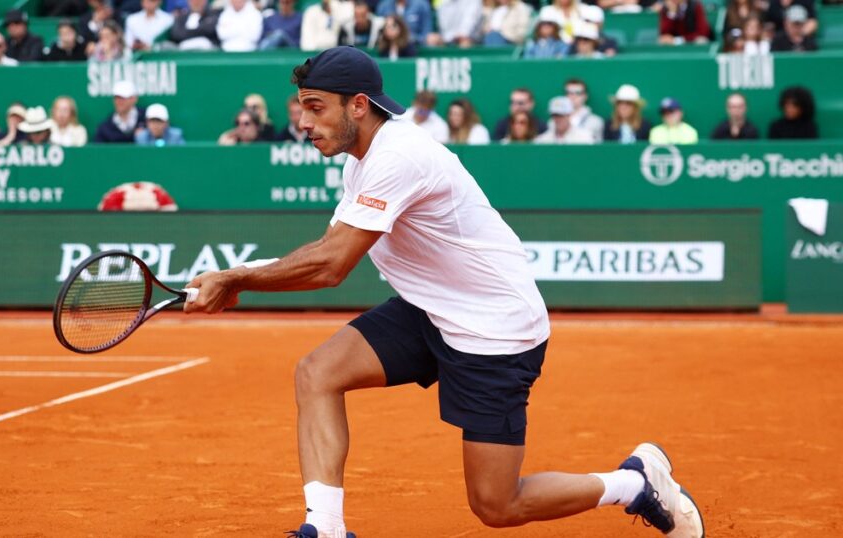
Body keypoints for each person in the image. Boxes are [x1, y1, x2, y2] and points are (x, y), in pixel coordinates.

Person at [183, 46, 705, 538]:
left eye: (315, 108)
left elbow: (331, 266)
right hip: (431, 309)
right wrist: (235, 274)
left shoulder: (399, 156)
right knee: (318, 373)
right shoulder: (360, 160)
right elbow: (327, 245)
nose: (303, 122)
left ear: (358, 106)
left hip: (494, 330)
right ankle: (326, 526)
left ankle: (635, 483)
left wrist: (234, 280)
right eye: (302, 108)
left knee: (497, 505)